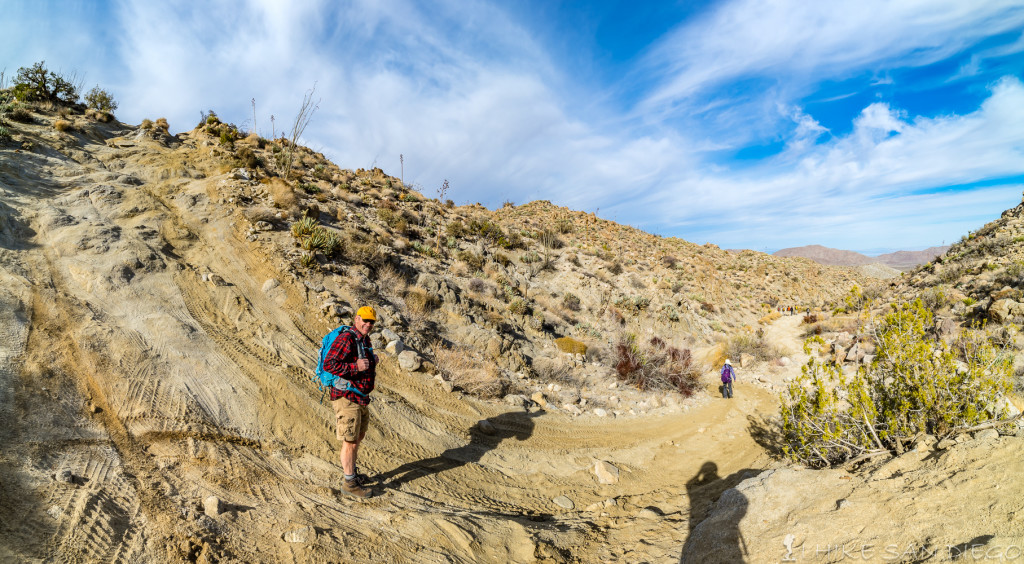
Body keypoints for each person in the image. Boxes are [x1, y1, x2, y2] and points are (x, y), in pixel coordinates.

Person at [323, 306, 379, 498]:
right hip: (346, 397)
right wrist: (355, 367)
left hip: (360, 397)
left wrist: (371, 360)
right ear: (357, 319)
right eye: (365, 320)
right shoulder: (347, 338)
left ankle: (352, 475)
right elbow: (329, 364)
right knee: (349, 441)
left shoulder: (364, 340)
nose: (368, 324)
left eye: (371, 322)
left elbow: (361, 362)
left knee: (357, 438)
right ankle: (349, 484)